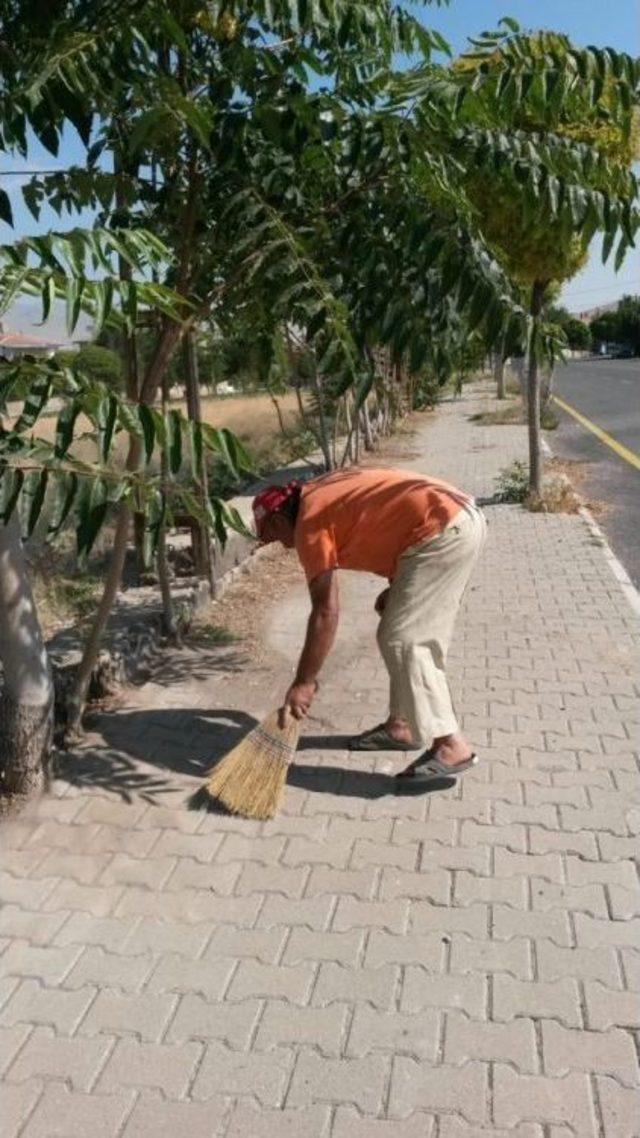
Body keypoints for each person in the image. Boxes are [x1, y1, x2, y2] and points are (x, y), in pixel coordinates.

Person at [252, 467, 486, 782]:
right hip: (450, 521)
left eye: (275, 537)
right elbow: (389, 522)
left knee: (404, 639)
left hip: (444, 529)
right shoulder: (316, 496)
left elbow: (325, 611)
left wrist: (304, 682)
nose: (283, 546)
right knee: (394, 625)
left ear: (280, 520)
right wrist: (397, 586)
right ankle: (401, 727)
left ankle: (450, 744)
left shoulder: (309, 522)